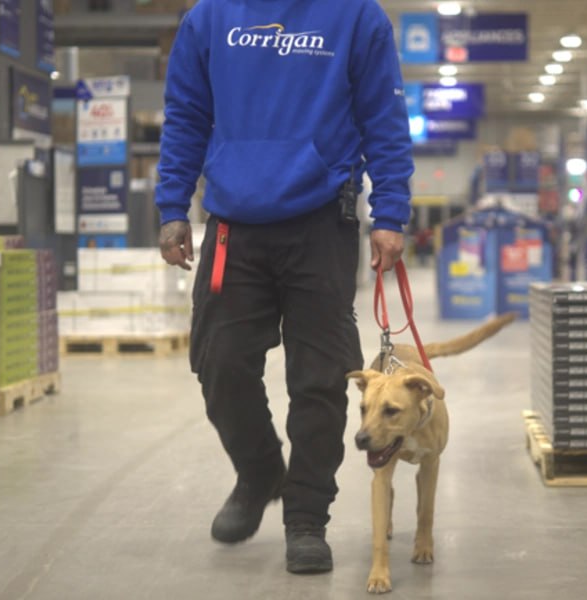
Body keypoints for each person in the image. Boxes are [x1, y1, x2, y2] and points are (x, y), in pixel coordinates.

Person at [154, 0, 414, 575]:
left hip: (322, 221)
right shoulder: (209, 18)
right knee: (219, 361)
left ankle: (306, 518)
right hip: (233, 227)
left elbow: (385, 121)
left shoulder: (356, 16)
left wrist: (391, 212)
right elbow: (187, 115)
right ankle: (259, 471)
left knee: (321, 378)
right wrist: (173, 205)